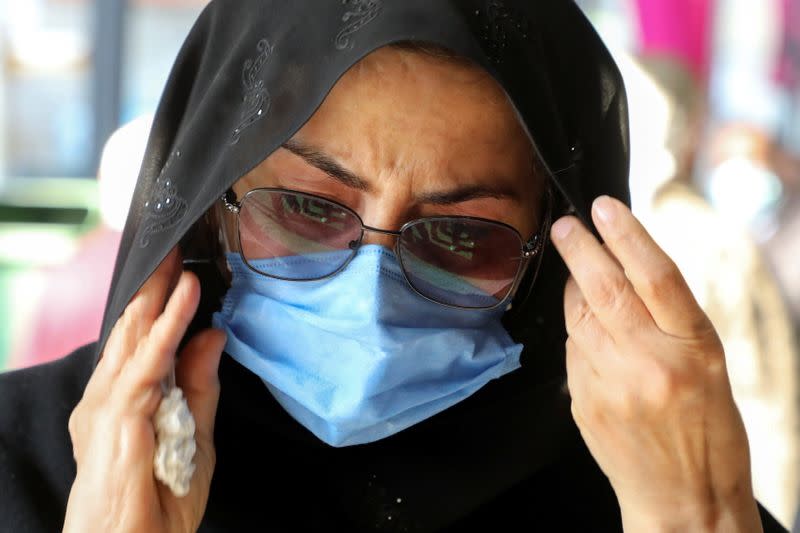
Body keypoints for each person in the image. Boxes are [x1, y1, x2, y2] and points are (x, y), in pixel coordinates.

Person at [0, 1, 788, 531]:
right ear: (210, 202)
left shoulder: (643, 495)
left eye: (458, 235)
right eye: (306, 209)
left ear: (551, 254)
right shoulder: (27, 469)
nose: (370, 299)